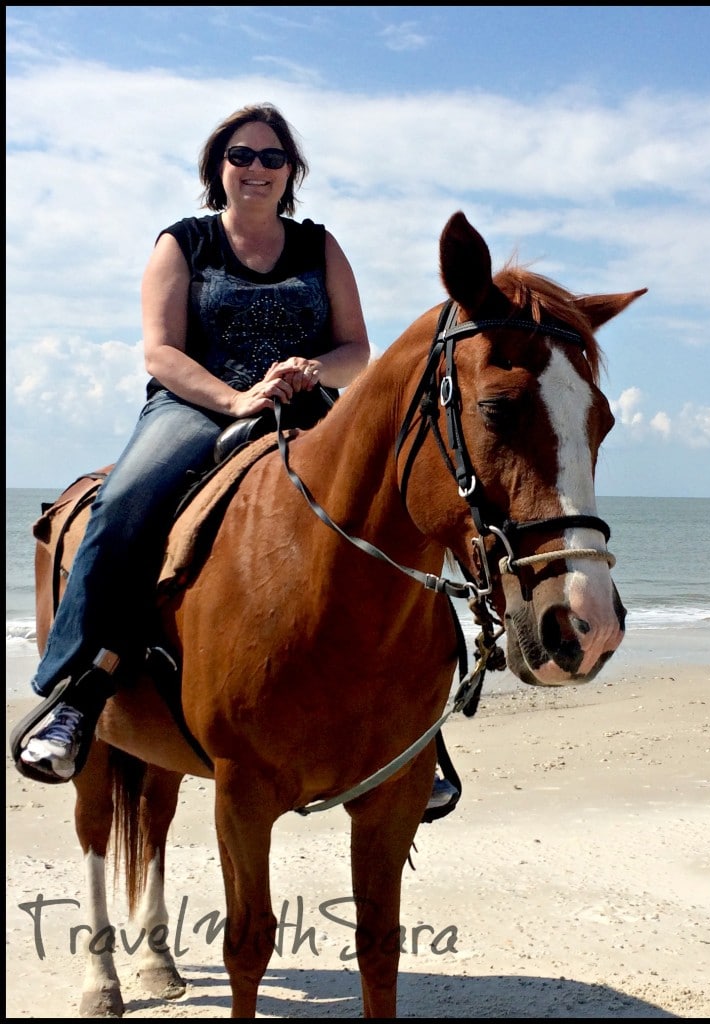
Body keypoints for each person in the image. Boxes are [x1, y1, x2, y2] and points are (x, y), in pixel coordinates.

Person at [15, 102, 459, 813]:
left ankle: (419, 730)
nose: (256, 168)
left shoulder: (319, 246)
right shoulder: (184, 243)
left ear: (291, 173)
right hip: (195, 406)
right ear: (217, 169)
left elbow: (356, 352)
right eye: (241, 156)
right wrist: (235, 398)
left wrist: (308, 372)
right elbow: (160, 351)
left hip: (304, 408)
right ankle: (80, 692)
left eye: (271, 158)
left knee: (401, 508)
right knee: (128, 502)